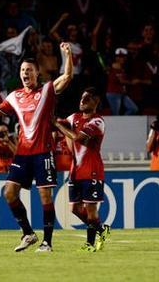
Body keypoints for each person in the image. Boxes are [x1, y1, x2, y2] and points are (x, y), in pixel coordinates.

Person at [0, 42, 73, 252]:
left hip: (43, 153)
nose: (25, 73)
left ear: (37, 73)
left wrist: (67, 55)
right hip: (22, 154)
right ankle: (28, 233)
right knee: (9, 193)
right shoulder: (14, 96)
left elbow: (66, 77)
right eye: (23, 70)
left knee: (45, 197)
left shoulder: (47, 90)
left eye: (29, 70)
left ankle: (47, 242)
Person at [53, 87, 111, 252]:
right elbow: (56, 126)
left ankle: (90, 244)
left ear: (96, 101)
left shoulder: (97, 121)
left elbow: (78, 137)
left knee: (90, 210)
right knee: (74, 209)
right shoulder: (74, 118)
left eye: (87, 98)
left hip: (92, 170)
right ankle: (101, 230)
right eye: (82, 97)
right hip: (75, 171)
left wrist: (57, 124)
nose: (82, 100)